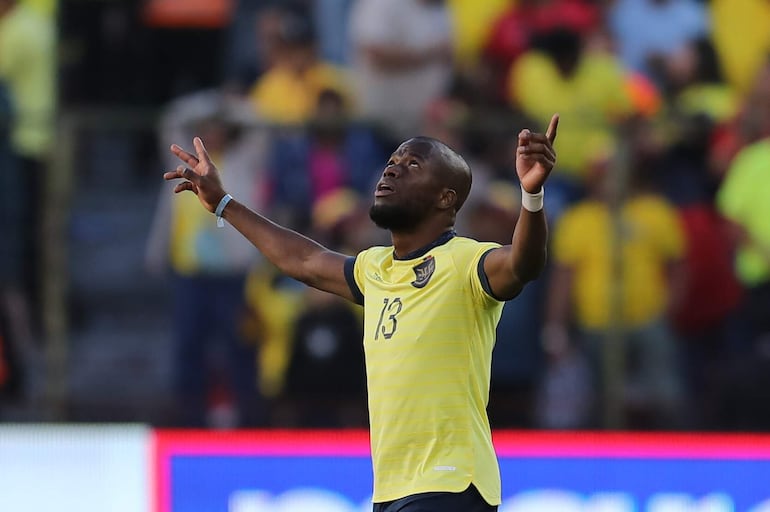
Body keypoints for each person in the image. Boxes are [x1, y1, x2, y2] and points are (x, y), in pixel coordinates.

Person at [164, 106, 560, 510]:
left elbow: (522, 264)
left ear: (446, 197)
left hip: (450, 482)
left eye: (412, 165)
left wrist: (531, 196)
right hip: (393, 488)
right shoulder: (377, 268)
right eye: (391, 162)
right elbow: (303, 260)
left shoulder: (465, 261)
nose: (391, 170)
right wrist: (224, 204)